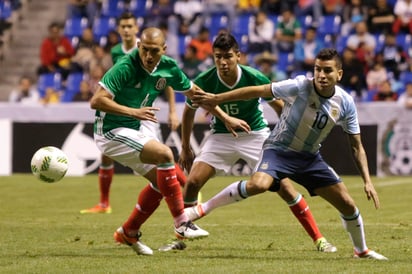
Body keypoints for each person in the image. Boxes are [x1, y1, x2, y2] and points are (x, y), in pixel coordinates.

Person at [188, 48, 388, 260]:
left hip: (309, 158)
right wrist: (218, 98)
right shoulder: (300, 85)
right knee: (259, 185)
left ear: (339, 74)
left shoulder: (346, 103)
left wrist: (367, 181)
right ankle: (202, 210)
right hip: (278, 150)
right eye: (317, 69)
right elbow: (257, 91)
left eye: (327, 70)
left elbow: (356, 145)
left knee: (347, 204)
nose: (321, 75)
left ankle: (362, 251)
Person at [90, 27, 249, 255]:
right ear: (138, 47)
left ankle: (129, 231)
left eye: (154, 51)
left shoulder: (169, 67)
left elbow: (196, 94)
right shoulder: (125, 66)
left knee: (161, 182)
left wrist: (225, 117)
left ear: (163, 50)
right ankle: (182, 223)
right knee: (165, 154)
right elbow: (96, 101)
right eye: (144, 50)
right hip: (110, 131)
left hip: (133, 127)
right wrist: (132, 112)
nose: (148, 56)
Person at [180, 33, 336, 252]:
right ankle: (182, 237)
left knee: (285, 189)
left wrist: (287, 139)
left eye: (227, 56)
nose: (223, 62)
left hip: (255, 134)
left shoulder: (255, 77)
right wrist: (186, 148)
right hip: (221, 135)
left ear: (238, 56)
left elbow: (280, 108)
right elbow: (188, 112)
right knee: (193, 182)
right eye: (218, 57)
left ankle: (319, 239)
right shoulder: (204, 80)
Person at [80, 12, 186, 214]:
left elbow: (167, 80)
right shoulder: (117, 52)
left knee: (161, 155)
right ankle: (104, 203)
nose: (127, 29)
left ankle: (188, 189)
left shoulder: (150, 45)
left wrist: (173, 110)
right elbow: (114, 83)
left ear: (136, 29)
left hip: (145, 111)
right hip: (125, 113)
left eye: (130, 26)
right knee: (107, 154)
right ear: (119, 29)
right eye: (123, 26)